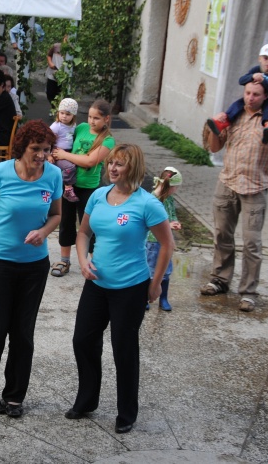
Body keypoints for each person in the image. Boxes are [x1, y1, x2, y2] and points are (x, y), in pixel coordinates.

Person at [64, 144, 174, 434]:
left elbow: (167, 244)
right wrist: (83, 261)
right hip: (96, 284)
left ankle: (126, 413)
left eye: (119, 164)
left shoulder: (147, 203)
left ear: (132, 168)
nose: (112, 168)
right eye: (111, 163)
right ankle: (87, 400)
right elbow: (83, 233)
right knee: (83, 340)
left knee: (123, 349)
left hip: (130, 287)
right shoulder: (98, 196)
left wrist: (155, 283)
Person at [0, 120, 61, 418]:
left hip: (34, 266)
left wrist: (43, 232)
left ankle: (15, 395)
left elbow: (57, 215)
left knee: (23, 333)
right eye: (36, 149)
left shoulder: (53, 175)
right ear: (22, 147)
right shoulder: (1, 172)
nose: (42, 155)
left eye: (46, 149)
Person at [201, 81, 268, 312]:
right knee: (222, 235)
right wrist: (214, 129)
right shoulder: (234, 114)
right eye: (247, 93)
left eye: (256, 94)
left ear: (265, 96)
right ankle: (219, 280)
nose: (250, 98)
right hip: (228, 182)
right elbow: (215, 148)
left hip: (255, 187)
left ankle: (248, 292)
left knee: (252, 243)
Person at [50, 99, 115, 276]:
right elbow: (63, 140)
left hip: (89, 189)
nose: (92, 121)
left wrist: (64, 155)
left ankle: (95, 262)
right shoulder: (81, 128)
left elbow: (90, 161)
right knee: (66, 222)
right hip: (69, 184)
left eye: (96, 118)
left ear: (106, 119)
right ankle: (64, 260)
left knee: (90, 225)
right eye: (90, 117)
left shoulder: (108, 141)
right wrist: (53, 154)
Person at [207, 43, 268, 145]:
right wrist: (252, 77)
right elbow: (241, 80)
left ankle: (267, 127)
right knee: (238, 104)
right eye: (265, 58)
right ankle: (225, 120)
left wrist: (263, 81)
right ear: (260, 59)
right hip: (255, 99)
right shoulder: (255, 70)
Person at [145, 167, 183, 311]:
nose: (176, 190)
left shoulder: (169, 199)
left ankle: (163, 298)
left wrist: (174, 221)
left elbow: (171, 214)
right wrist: (168, 225)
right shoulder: (152, 199)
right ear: (170, 186)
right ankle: (145, 297)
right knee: (150, 269)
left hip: (165, 241)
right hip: (152, 240)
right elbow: (149, 221)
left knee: (166, 270)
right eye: (176, 187)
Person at [50, 98, 79, 202]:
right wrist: (49, 155)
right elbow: (48, 140)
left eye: (68, 114)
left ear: (73, 116)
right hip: (57, 152)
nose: (64, 116)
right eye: (62, 113)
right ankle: (67, 188)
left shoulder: (73, 126)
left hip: (68, 152)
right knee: (70, 167)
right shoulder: (56, 126)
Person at [45, 41, 64, 109]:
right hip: (52, 74)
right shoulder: (56, 46)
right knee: (50, 93)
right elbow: (49, 55)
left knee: (60, 94)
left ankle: (58, 110)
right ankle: (54, 107)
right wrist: (50, 63)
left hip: (63, 77)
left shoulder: (72, 49)